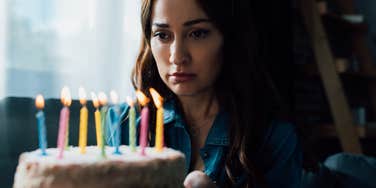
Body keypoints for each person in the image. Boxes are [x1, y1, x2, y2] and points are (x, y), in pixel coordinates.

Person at [116, 0, 302, 187]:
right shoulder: (126, 124)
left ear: (229, 38)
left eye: (197, 33)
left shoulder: (275, 138)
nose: (177, 56)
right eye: (162, 35)